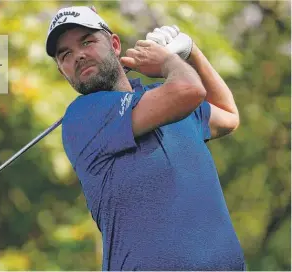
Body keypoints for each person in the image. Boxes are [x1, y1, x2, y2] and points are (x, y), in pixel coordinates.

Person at [45, 5, 245, 271]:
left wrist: (191, 51)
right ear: (62, 71)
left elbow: (229, 116)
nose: (79, 55)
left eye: (87, 41)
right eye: (65, 54)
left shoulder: (165, 98)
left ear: (114, 44)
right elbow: (188, 89)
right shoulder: (82, 117)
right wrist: (168, 61)